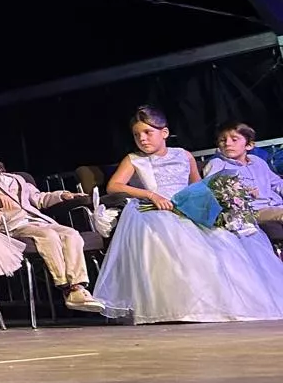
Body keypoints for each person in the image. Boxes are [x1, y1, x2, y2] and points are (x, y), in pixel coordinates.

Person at [94, 105, 283, 323]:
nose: (142, 139)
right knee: (175, 242)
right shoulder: (133, 159)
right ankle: (176, 307)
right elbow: (114, 186)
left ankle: (221, 303)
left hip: (188, 208)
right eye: (137, 135)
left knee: (223, 243)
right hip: (157, 210)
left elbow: (197, 186)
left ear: (164, 133)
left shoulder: (183, 155)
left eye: (148, 133)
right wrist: (150, 195)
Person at [0, 150, 105, 313]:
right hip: (13, 226)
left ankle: (77, 287)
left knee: (71, 233)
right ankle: (67, 287)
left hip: (36, 220)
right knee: (48, 236)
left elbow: (39, 198)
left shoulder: (18, 179)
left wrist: (63, 195)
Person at [204, 122, 283, 223]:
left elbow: (277, 183)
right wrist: (243, 193)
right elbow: (211, 193)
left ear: (249, 145)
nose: (227, 143)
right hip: (253, 211)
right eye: (222, 140)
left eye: (234, 140)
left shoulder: (257, 161)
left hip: (276, 204)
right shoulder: (217, 164)